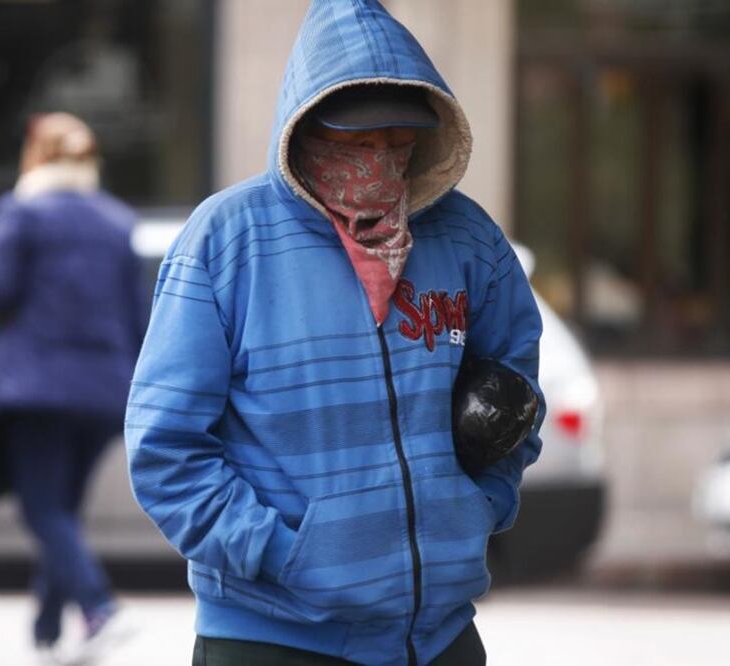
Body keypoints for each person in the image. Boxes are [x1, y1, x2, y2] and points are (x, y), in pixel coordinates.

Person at [125, 2, 543, 665]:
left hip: (438, 636)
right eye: (354, 144)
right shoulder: (227, 242)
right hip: (271, 635)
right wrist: (279, 553)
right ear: (305, 130)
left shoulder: (466, 238)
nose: (378, 162)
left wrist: (480, 507)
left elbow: (515, 383)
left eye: (396, 143)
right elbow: (165, 447)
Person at [0, 112, 144, 663]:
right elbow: (137, 314)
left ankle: (98, 608)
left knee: (42, 509)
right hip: (104, 390)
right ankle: (47, 632)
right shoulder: (117, 221)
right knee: (62, 509)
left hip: (36, 388)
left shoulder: (20, 213)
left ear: (36, 158)